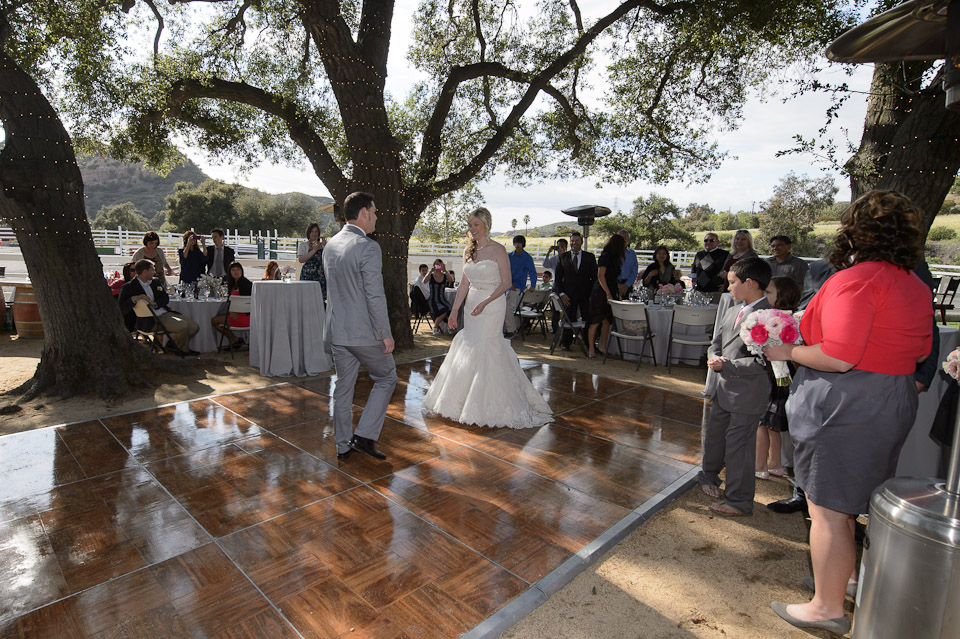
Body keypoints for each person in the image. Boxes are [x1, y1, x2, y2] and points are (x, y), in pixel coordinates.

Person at [764, 191, 933, 635]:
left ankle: (826, 606)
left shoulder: (856, 280)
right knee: (853, 500)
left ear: (856, 233)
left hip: (846, 402)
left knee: (827, 507)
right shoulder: (914, 284)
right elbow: (920, 351)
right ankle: (846, 580)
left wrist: (787, 351)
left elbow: (839, 356)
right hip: (892, 398)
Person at [422, 207, 551, 428]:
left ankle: (491, 405)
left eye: (476, 225)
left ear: (486, 225)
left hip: (492, 304)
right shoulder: (468, 251)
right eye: (470, 225)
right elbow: (464, 284)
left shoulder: (498, 250)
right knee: (470, 345)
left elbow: (506, 283)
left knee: (487, 347)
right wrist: (455, 311)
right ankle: (463, 401)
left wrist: (485, 302)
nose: (472, 229)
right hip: (471, 304)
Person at [322, 192, 397, 461]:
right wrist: (385, 333)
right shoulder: (368, 246)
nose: (376, 217)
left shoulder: (330, 245)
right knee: (387, 377)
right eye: (374, 212)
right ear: (364, 213)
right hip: (363, 333)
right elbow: (375, 296)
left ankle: (343, 446)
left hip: (337, 331)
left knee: (343, 388)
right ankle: (364, 436)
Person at [697, 257, 773, 517]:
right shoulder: (733, 310)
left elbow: (766, 362)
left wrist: (727, 365)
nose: (728, 288)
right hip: (724, 386)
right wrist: (713, 356)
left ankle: (739, 500)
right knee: (716, 435)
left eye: (732, 283)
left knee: (739, 447)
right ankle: (709, 475)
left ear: (750, 283)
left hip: (747, 391)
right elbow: (716, 342)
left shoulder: (770, 317)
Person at [755, 276, 800, 480]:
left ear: (782, 295)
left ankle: (760, 465)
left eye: (769, 292)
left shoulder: (775, 320)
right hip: (786, 375)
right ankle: (775, 463)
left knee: (762, 421)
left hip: (773, 375)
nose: (765, 295)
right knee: (773, 423)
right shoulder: (795, 319)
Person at [119, 259, 199, 356]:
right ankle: (183, 351)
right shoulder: (129, 287)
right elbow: (121, 308)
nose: (154, 272)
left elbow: (165, 298)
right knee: (183, 326)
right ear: (145, 271)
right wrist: (134, 299)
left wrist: (155, 303)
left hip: (164, 313)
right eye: (152, 270)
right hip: (151, 320)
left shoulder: (155, 282)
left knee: (194, 327)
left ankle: (173, 345)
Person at [553, 231, 597, 351]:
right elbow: (558, 278)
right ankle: (565, 343)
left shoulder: (589, 257)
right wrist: (562, 294)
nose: (574, 243)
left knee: (587, 319)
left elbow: (595, 278)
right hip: (568, 295)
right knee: (568, 319)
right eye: (572, 241)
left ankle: (589, 344)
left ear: (581, 242)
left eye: (577, 241)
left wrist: (592, 294)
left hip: (585, 294)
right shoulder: (563, 257)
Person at [587, 233, 625, 359]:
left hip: (611, 289)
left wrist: (616, 293)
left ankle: (602, 347)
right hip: (601, 290)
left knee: (607, 321)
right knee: (595, 320)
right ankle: (591, 349)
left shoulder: (616, 258)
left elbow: (614, 278)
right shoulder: (605, 256)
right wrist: (607, 292)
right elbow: (600, 276)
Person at [211, 262, 253, 351]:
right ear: (229, 272)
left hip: (244, 317)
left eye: (238, 269)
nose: (236, 272)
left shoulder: (246, 284)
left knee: (214, 321)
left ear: (242, 271)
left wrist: (231, 310)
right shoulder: (232, 284)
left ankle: (235, 340)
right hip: (239, 315)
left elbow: (247, 302)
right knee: (218, 318)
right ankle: (236, 340)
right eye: (233, 270)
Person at [505, 235, 537, 338]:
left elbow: (532, 272)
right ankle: (510, 329)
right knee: (504, 307)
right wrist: (508, 283)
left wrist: (533, 285)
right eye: (516, 242)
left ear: (523, 244)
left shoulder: (527, 257)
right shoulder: (509, 256)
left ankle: (512, 330)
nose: (517, 245)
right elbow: (504, 270)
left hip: (518, 288)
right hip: (506, 287)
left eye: (520, 243)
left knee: (508, 308)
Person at [423, 258, 454, 334]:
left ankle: (448, 327)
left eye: (439, 265)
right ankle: (435, 327)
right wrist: (430, 271)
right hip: (433, 300)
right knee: (444, 309)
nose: (438, 266)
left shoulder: (444, 276)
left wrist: (445, 270)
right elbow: (424, 281)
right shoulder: (431, 275)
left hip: (442, 299)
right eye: (436, 265)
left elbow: (451, 280)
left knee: (450, 308)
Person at [298, 222, 328, 299]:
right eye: (312, 231)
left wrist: (325, 245)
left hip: (320, 276)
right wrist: (314, 250)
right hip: (307, 275)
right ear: (308, 233)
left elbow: (328, 259)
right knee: (306, 297)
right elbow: (301, 259)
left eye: (316, 232)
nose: (314, 234)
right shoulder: (303, 245)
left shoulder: (322, 246)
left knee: (320, 298)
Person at [617, 229, 638, 298]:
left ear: (628, 240)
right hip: (613, 284)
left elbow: (634, 271)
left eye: (625, 237)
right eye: (620, 237)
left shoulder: (632, 254)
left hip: (627, 286)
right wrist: (616, 284)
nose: (623, 239)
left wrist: (626, 285)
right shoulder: (611, 253)